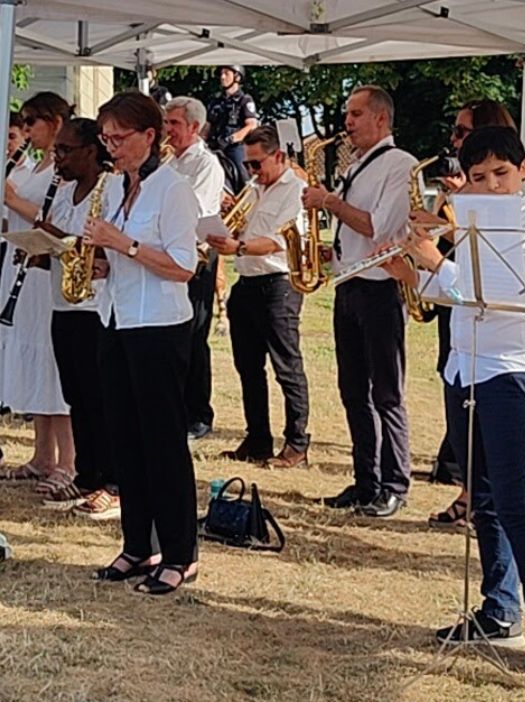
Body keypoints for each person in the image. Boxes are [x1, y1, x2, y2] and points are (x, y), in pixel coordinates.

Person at [388, 124, 525, 671]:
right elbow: (462, 297)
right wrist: (411, 274)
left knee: (515, 501)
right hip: (465, 367)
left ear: (523, 173)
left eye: (500, 174)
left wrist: (431, 258)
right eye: (477, 176)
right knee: (483, 498)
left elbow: (503, 294)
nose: (489, 185)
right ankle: (498, 608)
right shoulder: (467, 221)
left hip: (513, 372)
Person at [83, 91, 201, 595]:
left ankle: (180, 552)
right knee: (124, 440)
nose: (112, 147)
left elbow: (183, 266)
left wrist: (122, 244)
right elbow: (121, 256)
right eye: (106, 138)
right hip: (118, 317)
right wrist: (100, 261)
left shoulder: (173, 189)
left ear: (150, 136)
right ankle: (138, 543)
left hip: (160, 325)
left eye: (120, 138)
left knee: (162, 442)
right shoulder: (113, 188)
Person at [306, 85, 419, 518]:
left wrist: (330, 202)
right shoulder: (356, 166)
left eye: (355, 115)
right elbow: (353, 230)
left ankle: (395, 482)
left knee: (386, 391)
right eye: (347, 114)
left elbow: (379, 227)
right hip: (348, 283)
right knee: (353, 389)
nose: (347, 123)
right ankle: (365, 479)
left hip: (379, 287)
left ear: (380, 120)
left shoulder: (399, 164)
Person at [428, 97, 515, 523]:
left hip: (496, 337)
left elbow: (487, 279)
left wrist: (433, 255)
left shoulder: (510, 209)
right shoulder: (463, 197)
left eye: (463, 133)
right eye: (456, 133)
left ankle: (472, 493)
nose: (455, 141)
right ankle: (466, 486)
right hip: (460, 315)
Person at [205, 126, 309, 467]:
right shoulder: (254, 187)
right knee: (248, 367)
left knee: (286, 366)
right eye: (247, 165)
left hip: (278, 283)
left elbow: (281, 240)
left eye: (257, 164)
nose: (251, 172)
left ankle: (297, 442)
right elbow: (240, 228)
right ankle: (257, 438)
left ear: (278, 156)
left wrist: (241, 246)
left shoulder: (296, 191)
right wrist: (229, 223)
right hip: (247, 282)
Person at [0, 92, 76, 492]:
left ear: (56, 121)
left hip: (46, 271)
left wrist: (12, 200)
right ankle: (42, 454)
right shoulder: (33, 165)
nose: (26, 130)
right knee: (32, 360)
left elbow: (58, 220)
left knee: (53, 363)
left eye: (32, 122)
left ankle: (69, 460)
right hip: (18, 264)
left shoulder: (62, 167)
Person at [40, 117, 117, 517]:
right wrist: (39, 247)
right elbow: (62, 249)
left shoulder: (110, 188)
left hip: (95, 307)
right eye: (57, 150)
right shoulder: (64, 191)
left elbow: (109, 248)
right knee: (77, 397)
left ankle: (113, 482)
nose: (59, 158)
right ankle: (87, 475)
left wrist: (59, 240)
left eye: (65, 150)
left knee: (100, 397)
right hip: (63, 304)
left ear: (91, 151)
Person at [164, 96, 226, 441]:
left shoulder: (206, 165)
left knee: (194, 337)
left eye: (174, 124)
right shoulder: (170, 162)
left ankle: (199, 413)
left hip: (196, 256)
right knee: (176, 337)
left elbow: (196, 210)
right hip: (172, 256)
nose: (167, 130)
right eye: (167, 123)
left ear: (193, 127)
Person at [207, 65, 259, 191]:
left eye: (226, 73)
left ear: (237, 77)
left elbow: (251, 125)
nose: (222, 77)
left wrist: (231, 139)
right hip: (214, 146)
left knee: (241, 172)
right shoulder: (216, 102)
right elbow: (207, 126)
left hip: (234, 147)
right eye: (221, 74)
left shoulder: (245, 100)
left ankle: (248, 193)